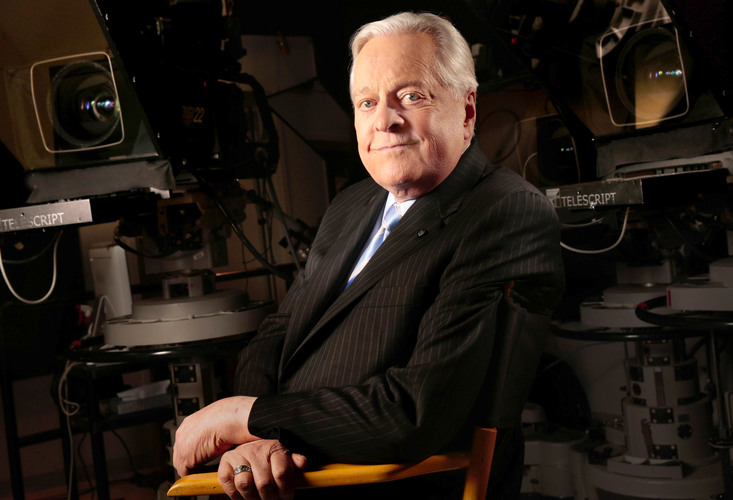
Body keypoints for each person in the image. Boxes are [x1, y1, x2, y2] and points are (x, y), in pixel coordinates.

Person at [173, 11, 564, 500]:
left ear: (467, 110)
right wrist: (259, 437)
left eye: (412, 96)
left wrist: (243, 416)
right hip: (293, 470)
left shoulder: (504, 212)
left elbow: (413, 413)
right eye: (367, 102)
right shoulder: (353, 204)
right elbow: (278, 334)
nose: (385, 120)